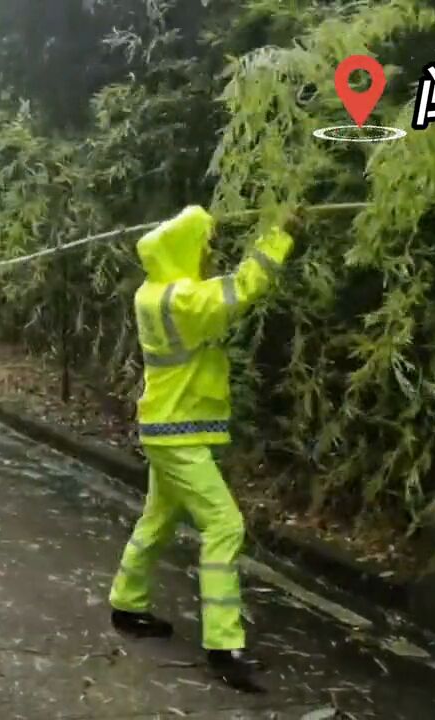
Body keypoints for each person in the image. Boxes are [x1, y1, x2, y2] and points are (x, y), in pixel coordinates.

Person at [108, 205, 294, 693]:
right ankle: (223, 646)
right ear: (185, 249)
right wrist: (279, 234)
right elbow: (244, 288)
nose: (210, 254)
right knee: (224, 525)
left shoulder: (153, 293)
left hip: (168, 426)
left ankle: (127, 604)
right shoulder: (182, 299)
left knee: (158, 519)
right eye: (205, 246)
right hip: (178, 433)